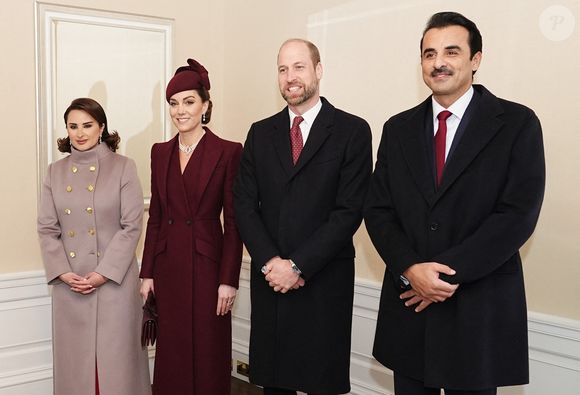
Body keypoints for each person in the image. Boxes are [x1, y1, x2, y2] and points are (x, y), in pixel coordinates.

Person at [364, 11, 545, 395]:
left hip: (477, 309)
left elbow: (517, 215)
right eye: (429, 54)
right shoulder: (398, 129)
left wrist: (444, 275)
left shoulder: (516, 123)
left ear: (475, 59)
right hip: (410, 306)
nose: (438, 63)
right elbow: (379, 209)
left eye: (451, 51)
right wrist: (410, 268)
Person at [234, 38, 372, 395]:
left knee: (321, 382)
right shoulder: (260, 133)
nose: (290, 77)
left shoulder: (352, 131)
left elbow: (349, 210)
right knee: (275, 383)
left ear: (318, 70)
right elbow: (245, 205)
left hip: (323, 281)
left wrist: (297, 266)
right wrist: (271, 263)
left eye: (298, 67)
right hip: (271, 282)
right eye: (282, 69)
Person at [139, 58, 243, 394]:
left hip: (208, 270)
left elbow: (234, 221)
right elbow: (156, 216)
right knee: (173, 356)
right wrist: (147, 272)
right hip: (168, 269)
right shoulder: (159, 152)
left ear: (205, 105)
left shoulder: (228, 152)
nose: (180, 111)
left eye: (188, 102)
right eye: (173, 103)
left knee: (208, 354)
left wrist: (228, 280)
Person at [37, 98, 151, 395]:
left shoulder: (124, 167)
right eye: (73, 126)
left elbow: (131, 227)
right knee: (76, 372)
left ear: (101, 127)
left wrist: (103, 273)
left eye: (87, 125)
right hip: (70, 286)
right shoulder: (54, 172)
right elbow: (48, 228)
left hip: (114, 285)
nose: (80, 133)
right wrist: (62, 272)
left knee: (117, 371)